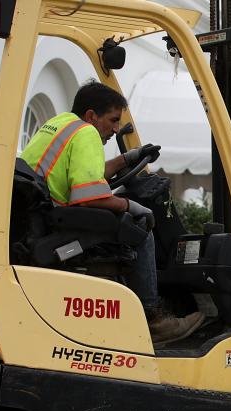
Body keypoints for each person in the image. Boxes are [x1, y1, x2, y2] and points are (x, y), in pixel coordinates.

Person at [20, 81, 203, 347]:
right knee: (140, 229)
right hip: (57, 222)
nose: (115, 129)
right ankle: (153, 319)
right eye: (113, 120)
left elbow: (84, 179)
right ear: (92, 116)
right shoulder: (87, 133)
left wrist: (127, 159)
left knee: (126, 217)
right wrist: (132, 207)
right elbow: (87, 196)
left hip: (39, 217)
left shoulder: (60, 124)